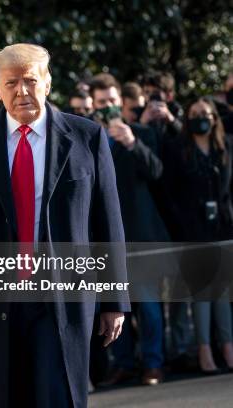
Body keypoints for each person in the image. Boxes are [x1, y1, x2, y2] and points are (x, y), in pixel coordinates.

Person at [0, 43, 129, 407]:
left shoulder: (87, 137)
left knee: (55, 396)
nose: (21, 91)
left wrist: (114, 299)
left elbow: (107, 220)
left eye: (30, 81)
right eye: (11, 83)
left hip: (61, 298)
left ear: (48, 83)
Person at [88, 73, 168, 386]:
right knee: (113, 306)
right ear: (93, 106)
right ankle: (122, 363)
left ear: (121, 101)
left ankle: (153, 364)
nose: (107, 107)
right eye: (101, 102)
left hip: (141, 235)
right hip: (106, 238)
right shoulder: (89, 137)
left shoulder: (141, 133)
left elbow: (157, 172)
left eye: (112, 101)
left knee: (147, 306)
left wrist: (132, 143)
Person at [163, 97, 233, 374]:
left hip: (223, 227)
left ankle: (227, 346)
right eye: (194, 114)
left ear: (214, 118)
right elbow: (170, 194)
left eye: (205, 113)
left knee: (224, 292)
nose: (200, 118)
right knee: (203, 292)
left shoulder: (225, 146)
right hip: (193, 230)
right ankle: (204, 350)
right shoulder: (178, 149)